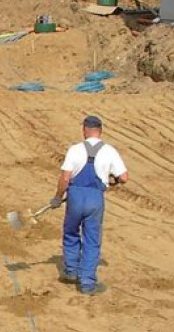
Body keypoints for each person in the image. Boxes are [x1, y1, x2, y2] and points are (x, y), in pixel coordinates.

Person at [49, 115, 128, 295]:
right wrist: (113, 179)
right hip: (95, 198)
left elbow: (65, 178)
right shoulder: (110, 151)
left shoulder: (75, 150)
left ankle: (70, 271)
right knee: (92, 239)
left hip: (75, 196)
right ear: (100, 131)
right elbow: (124, 177)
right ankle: (87, 283)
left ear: (85, 130)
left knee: (70, 232)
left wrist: (57, 197)